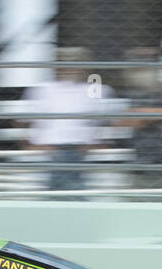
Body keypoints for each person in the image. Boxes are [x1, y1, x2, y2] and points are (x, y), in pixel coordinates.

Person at [23, 48, 118, 193]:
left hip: (83, 153)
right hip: (49, 154)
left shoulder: (98, 89)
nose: (70, 67)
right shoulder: (42, 89)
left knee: (71, 193)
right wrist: (37, 145)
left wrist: (97, 144)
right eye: (65, 63)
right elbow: (25, 123)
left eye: (75, 62)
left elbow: (107, 123)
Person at [117, 47, 162, 193]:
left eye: (146, 66)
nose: (142, 71)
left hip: (160, 160)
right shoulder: (127, 92)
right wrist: (156, 115)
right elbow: (122, 121)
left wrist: (143, 114)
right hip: (134, 162)